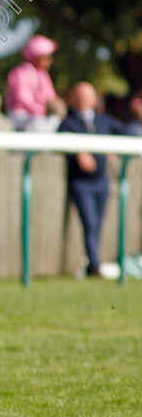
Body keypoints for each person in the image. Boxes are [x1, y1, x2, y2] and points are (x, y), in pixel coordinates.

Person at [58, 82, 128, 277]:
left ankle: (93, 262)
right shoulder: (69, 123)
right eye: (78, 96)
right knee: (90, 223)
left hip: (101, 182)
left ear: (94, 99)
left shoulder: (103, 121)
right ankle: (94, 264)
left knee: (97, 224)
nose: (82, 100)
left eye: (86, 96)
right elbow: (59, 139)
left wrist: (115, 147)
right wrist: (78, 150)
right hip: (81, 183)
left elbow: (127, 132)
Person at [6, 34, 59, 131]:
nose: (50, 59)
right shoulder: (21, 72)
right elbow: (23, 98)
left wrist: (57, 107)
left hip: (38, 118)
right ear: (37, 56)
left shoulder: (42, 74)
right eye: (47, 56)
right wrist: (40, 110)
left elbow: (50, 96)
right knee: (38, 123)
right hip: (21, 118)